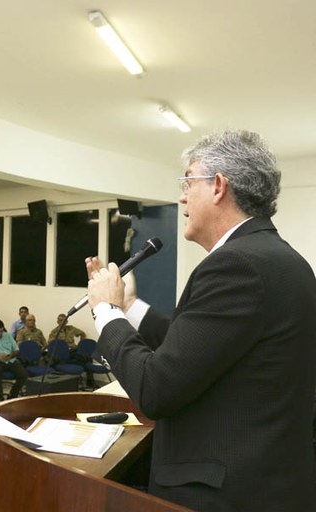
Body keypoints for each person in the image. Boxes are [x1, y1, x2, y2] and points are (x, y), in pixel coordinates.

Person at [85, 130, 316, 511]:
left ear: (218, 186)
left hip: (223, 494)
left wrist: (105, 312)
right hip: (268, 482)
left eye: (188, 181)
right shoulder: (273, 257)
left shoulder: (236, 265)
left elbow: (155, 389)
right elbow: (195, 346)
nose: (182, 197)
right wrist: (129, 305)